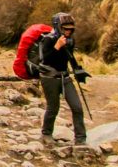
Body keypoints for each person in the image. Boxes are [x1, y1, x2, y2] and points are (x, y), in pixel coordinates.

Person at [38, 12, 91, 145]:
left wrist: (78, 70)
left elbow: (69, 57)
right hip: (49, 78)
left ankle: (80, 138)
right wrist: (57, 47)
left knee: (77, 107)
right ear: (58, 27)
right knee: (53, 107)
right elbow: (45, 59)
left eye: (70, 28)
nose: (68, 31)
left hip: (65, 77)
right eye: (65, 28)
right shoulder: (48, 39)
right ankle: (46, 134)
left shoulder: (70, 41)